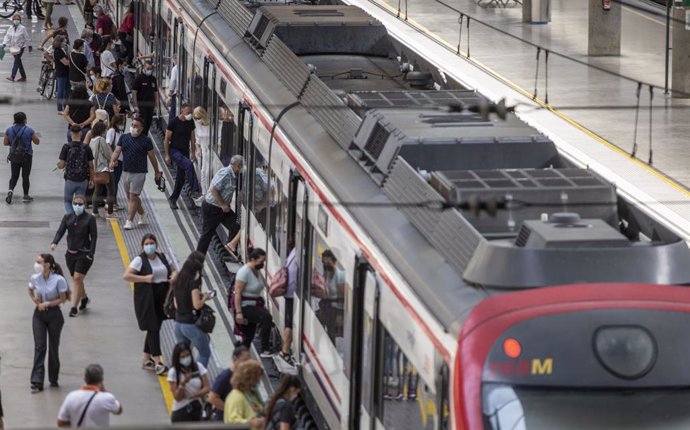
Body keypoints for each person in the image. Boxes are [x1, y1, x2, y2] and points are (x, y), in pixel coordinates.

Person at [123, 234, 175, 375]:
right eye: (147, 243)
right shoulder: (139, 260)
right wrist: (144, 278)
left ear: (156, 244)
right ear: (142, 245)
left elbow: (174, 269)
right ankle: (158, 362)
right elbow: (126, 275)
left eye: (152, 243)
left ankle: (146, 359)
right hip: (147, 297)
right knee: (153, 327)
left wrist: (175, 275)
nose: (149, 245)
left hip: (162, 295)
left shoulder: (163, 257)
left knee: (156, 326)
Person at [109, 118, 162, 230]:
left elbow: (152, 157)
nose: (133, 127)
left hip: (139, 172)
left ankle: (129, 220)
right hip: (126, 171)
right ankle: (143, 214)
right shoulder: (124, 138)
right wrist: (112, 160)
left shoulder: (146, 140)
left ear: (142, 128)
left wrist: (157, 171)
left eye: (136, 125)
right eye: (132, 124)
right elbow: (117, 151)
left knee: (133, 196)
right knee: (130, 196)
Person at [51, 194, 98, 318]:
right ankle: (84, 298)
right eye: (75, 203)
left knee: (77, 279)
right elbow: (60, 231)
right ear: (72, 204)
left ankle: (73, 308)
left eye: (80, 204)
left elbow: (94, 237)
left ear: (85, 205)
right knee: (77, 280)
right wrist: (54, 242)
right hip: (70, 254)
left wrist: (91, 253)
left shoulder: (90, 219)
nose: (78, 206)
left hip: (84, 253)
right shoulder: (67, 217)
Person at [28, 254, 68, 393]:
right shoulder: (35, 278)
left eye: (39, 262)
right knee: (40, 347)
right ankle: (37, 380)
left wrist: (48, 303)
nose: (37, 264)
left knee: (53, 347)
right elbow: (30, 289)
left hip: (54, 315)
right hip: (39, 315)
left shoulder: (59, 280)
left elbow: (62, 299)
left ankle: (53, 377)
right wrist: (35, 300)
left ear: (48, 264)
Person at [172, 252, 213, 367]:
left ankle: (182, 377)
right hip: (191, 324)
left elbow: (176, 305)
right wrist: (204, 297)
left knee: (184, 354)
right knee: (204, 353)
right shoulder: (193, 283)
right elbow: (197, 305)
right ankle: (198, 377)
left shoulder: (177, 281)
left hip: (178, 324)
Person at [196, 155, 244, 254]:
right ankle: (197, 259)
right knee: (207, 235)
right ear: (237, 166)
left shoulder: (233, 175)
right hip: (212, 208)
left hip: (221, 210)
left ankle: (229, 247)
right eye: (241, 166)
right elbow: (213, 189)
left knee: (236, 224)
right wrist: (223, 204)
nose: (241, 169)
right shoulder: (225, 173)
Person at [234, 248, 273, 356]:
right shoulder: (244, 272)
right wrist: (239, 312)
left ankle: (240, 356)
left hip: (254, 306)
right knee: (266, 317)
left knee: (248, 337)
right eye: (261, 261)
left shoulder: (256, 271)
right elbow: (237, 293)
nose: (263, 264)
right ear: (252, 259)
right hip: (245, 307)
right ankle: (265, 349)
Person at [57, 364, 122, 427]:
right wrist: (104, 391)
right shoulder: (107, 398)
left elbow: (61, 422)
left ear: (85, 379)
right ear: (102, 380)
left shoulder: (71, 396)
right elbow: (118, 410)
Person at [165, 103, 200, 209]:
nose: (189, 114)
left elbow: (192, 138)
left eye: (191, 113)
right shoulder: (173, 122)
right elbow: (166, 139)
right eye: (188, 112)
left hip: (185, 152)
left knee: (180, 178)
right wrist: (167, 155)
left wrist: (193, 153)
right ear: (182, 110)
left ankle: (173, 199)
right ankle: (195, 190)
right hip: (175, 151)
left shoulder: (190, 122)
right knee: (189, 165)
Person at [167, 343, 210, 422]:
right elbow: (177, 398)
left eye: (187, 355)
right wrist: (182, 384)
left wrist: (194, 395)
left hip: (198, 408)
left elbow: (207, 387)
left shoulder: (198, 366)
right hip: (181, 411)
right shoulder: (173, 372)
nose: (186, 358)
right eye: (182, 357)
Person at [4, 112, 40, 204]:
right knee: (25, 176)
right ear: (24, 120)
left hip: (14, 156)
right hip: (26, 156)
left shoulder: (9, 130)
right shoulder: (29, 130)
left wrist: (14, 143)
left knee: (14, 176)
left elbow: (5, 142)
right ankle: (26, 195)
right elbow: (37, 142)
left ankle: (10, 191)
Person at [207, 345, 251, 421]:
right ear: (235, 360)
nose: (247, 364)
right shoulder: (225, 377)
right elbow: (212, 398)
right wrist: (229, 409)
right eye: (244, 361)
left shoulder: (243, 375)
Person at [58, 125, 95, 214]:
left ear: (71, 133)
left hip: (70, 179)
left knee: (67, 202)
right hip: (83, 180)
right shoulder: (86, 148)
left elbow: (61, 165)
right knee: (80, 203)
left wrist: (59, 165)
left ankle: (71, 218)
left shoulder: (66, 147)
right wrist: (91, 180)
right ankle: (79, 219)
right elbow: (91, 166)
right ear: (81, 133)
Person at [223, 360, 265, 428]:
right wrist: (251, 422)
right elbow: (233, 422)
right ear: (249, 379)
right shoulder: (236, 397)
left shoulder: (251, 393)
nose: (258, 382)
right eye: (257, 379)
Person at [88, 121, 116, 218]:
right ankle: (110, 212)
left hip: (96, 169)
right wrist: (112, 160)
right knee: (111, 190)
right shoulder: (101, 140)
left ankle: (95, 212)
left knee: (97, 191)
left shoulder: (92, 140)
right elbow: (107, 154)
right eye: (105, 130)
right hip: (104, 168)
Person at [277, 240, 298, 367]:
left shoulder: (293, 253)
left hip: (288, 291)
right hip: (291, 293)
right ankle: (285, 350)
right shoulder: (300, 254)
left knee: (288, 322)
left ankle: (285, 349)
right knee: (290, 323)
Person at [131, 62, 159, 136]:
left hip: (150, 106)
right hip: (141, 106)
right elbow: (134, 93)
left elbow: (156, 93)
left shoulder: (153, 79)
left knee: (148, 123)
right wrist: (136, 106)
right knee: (142, 123)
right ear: (144, 68)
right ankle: (140, 138)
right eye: (148, 68)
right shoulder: (139, 79)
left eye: (151, 69)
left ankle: (144, 137)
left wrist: (156, 105)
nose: (149, 70)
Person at [3, 15, 32, 82]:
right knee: (18, 62)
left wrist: (29, 46)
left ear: (20, 20)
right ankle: (23, 76)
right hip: (13, 48)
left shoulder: (22, 28)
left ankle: (12, 76)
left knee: (16, 61)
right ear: (13, 20)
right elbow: (7, 37)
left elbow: (27, 37)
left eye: (18, 19)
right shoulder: (10, 28)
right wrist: (4, 43)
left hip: (20, 47)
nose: (16, 20)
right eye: (15, 19)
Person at [193, 107, 211, 201]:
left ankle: (209, 194)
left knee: (208, 172)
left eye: (198, 118)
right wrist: (197, 148)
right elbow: (197, 139)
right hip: (203, 151)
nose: (197, 120)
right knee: (203, 172)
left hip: (212, 151)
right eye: (196, 118)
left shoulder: (212, 125)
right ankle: (204, 194)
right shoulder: (197, 124)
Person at [106, 114, 125, 200]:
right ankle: (111, 202)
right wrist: (113, 159)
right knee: (113, 182)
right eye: (121, 122)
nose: (123, 124)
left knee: (116, 182)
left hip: (120, 161)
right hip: (114, 161)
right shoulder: (112, 131)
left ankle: (114, 201)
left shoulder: (120, 132)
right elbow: (108, 144)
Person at [52, 36, 71, 113]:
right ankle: (59, 108)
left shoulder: (62, 50)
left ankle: (65, 106)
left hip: (65, 72)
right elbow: (66, 62)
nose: (65, 43)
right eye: (64, 42)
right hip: (61, 73)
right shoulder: (58, 52)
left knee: (66, 90)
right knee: (61, 91)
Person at [167, 57, 179, 122]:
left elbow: (173, 81)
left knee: (172, 111)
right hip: (183, 94)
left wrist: (170, 94)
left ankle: (171, 126)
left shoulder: (175, 68)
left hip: (176, 93)